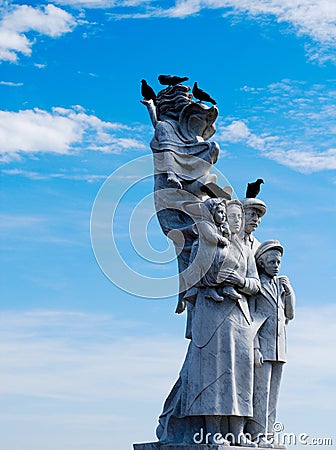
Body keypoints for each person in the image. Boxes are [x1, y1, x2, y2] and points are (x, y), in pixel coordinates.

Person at [156, 200, 260, 447]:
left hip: (238, 318)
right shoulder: (204, 244)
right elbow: (191, 278)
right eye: (231, 216)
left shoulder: (245, 251)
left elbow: (255, 283)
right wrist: (211, 283)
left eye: (237, 217)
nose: (235, 221)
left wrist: (240, 282)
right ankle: (212, 431)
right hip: (210, 316)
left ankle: (237, 431)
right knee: (211, 374)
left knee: (240, 375)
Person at [246, 240, 295, 448]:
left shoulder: (280, 287)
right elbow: (249, 319)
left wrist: (289, 291)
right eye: (272, 262)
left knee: (273, 395)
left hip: (279, 348)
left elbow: (290, 314)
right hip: (262, 348)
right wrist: (255, 347)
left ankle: (269, 433)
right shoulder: (257, 287)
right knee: (260, 393)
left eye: (278, 262)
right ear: (262, 264)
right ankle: (257, 435)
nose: (276, 266)